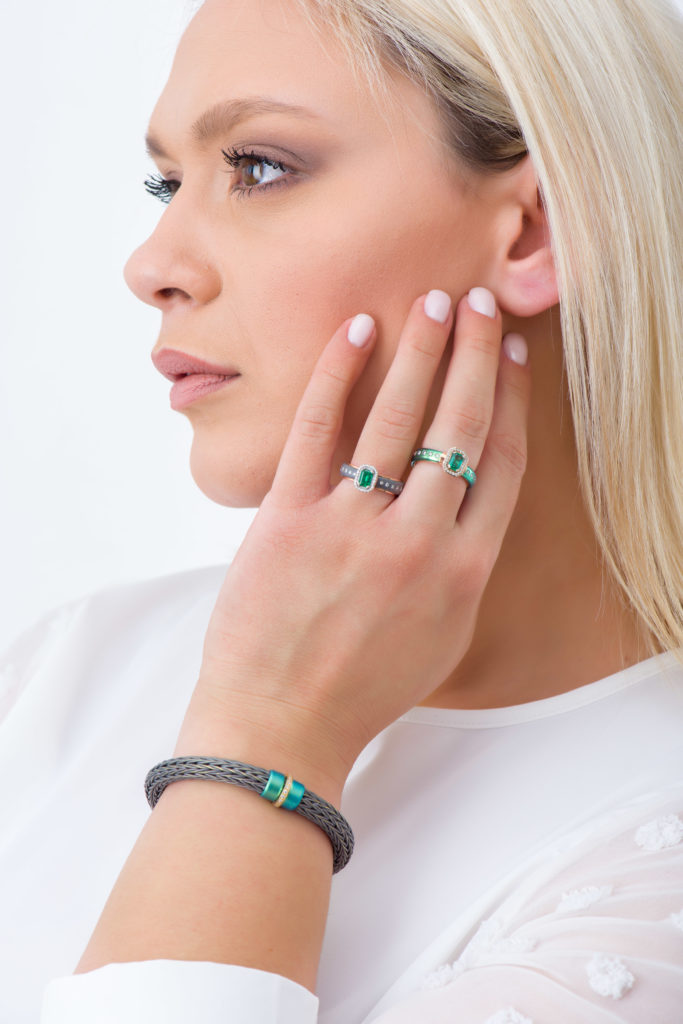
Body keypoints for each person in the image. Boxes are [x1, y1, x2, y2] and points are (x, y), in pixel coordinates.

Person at [1, 0, 681, 1020]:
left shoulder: (649, 872)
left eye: (257, 166)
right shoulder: (70, 668)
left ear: (536, 229)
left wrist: (269, 732)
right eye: (167, 183)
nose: (150, 266)